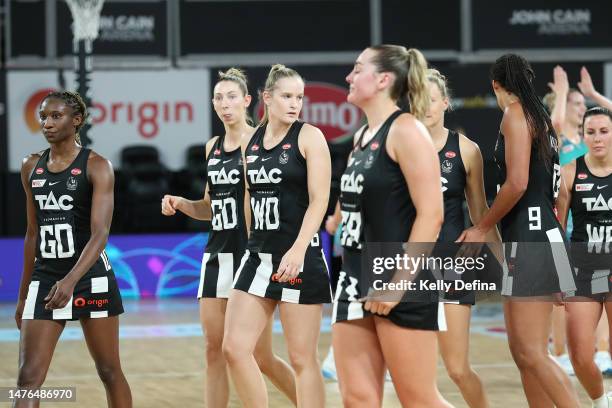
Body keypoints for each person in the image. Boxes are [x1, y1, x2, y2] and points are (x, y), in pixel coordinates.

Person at [161, 68, 296, 407]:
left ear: (248, 100)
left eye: (232, 96)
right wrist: (182, 204)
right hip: (216, 254)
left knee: (260, 357)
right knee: (213, 349)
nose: (225, 104)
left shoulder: (262, 141)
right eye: (219, 98)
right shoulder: (212, 147)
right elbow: (209, 206)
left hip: (251, 255)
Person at [332, 44, 451, 408]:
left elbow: (432, 214)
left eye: (357, 69)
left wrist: (397, 286)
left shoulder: (407, 130)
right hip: (354, 274)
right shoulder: (361, 137)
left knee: (418, 399)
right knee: (357, 398)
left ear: (383, 79)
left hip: (398, 275)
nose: (349, 77)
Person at [458, 54, 579, 407]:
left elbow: (518, 182)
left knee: (532, 353)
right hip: (541, 237)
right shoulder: (541, 118)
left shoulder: (515, 113)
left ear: (496, 85)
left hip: (532, 239)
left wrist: (481, 226)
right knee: (525, 354)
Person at [222, 64, 332, 408]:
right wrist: (252, 240)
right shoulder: (251, 141)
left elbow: (320, 200)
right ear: (267, 98)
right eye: (286, 96)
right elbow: (248, 196)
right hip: (259, 257)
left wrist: (299, 248)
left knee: (303, 359)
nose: (294, 103)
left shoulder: (309, 136)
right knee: (235, 349)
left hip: (299, 257)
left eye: (299, 97)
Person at [14, 91, 132, 407]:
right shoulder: (30, 166)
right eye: (43, 116)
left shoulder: (97, 166)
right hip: (46, 275)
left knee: (108, 371)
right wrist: (24, 294)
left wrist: (69, 281)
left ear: (76, 120)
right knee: (27, 380)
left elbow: (100, 234)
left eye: (56, 116)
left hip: (90, 277)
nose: (47, 123)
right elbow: (32, 234)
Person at [425, 68, 499, 408]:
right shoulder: (396, 146)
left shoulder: (466, 150)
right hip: (406, 263)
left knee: (456, 369)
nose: (425, 104)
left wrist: (507, 263)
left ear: (445, 102)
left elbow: (482, 213)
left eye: (432, 98)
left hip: (451, 266)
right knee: (412, 371)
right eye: (418, 97)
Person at [557, 107, 612, 408]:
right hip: (582, 272)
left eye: (604, 131)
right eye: (591, 132)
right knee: (579, 355)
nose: (598, 138)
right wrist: (560, 278)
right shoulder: (569, 171)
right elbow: (557, 232)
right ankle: (601, 401)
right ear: (582, 135)